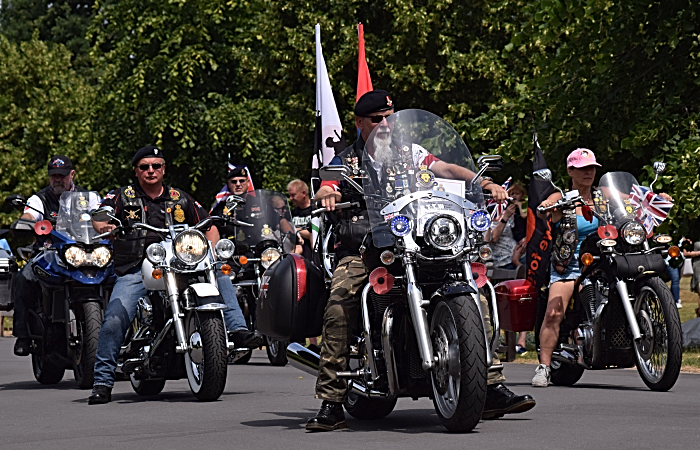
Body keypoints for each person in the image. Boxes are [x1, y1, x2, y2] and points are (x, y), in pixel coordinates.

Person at [306, 89, 534, 432]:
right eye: (376, 119)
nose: (385, 124)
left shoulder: (409, 152)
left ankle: (489, 383)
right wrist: (326, 193)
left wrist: (481, 180)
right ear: (359, 123)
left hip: (418, 240)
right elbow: (328, 186)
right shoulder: (345, 160)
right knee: (341, 299)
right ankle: (332, 401)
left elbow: (443, 166)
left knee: (474, 289)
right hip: (367, 247)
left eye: (389, 117)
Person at [87, 146, 258, 404]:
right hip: (138, 265)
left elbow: (207, 222)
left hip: (179, 260)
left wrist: (211, 250)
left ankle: (238, 330)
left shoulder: (179, 197)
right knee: (113, 319)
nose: (151, 171)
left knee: (220, 273)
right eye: (145, 167)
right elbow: (100, 219)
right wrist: (108, 225)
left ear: (164, 169)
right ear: (136, 171)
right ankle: (102, 381)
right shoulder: (122, 196)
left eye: (156, 166)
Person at [532, 148, 673, 387]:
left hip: (604, 256)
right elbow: (548, 204)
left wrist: (656, 198)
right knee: (554, 312)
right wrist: (546, 205)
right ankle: (544, 367)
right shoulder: (562, 196)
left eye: (592, 168)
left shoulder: (603, 193)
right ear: (570, 171)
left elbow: (633, 199)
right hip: (571, 262)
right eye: (582, 168)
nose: (588, 172)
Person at [11, 155, 88, 356]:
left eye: (62, 175)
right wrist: (25, 222)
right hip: (47, 254)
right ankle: (23, 335)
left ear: (72, 174)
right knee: (23, 278)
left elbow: (99, 215)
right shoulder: (39, 199)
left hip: (80, 255)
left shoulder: (85, 198)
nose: (58, 179)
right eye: (53, 175)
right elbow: (29, 215)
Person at [287, 179, 313, 260]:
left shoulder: (315, 210)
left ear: (303, 193)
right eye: (289, 195)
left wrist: (295, 229)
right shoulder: (292, 213)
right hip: (297, 256)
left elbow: (313, 234)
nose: (291, 198)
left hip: (313, 256)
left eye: (293, 195)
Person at [685, 240, 700, 317]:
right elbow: (685, 252)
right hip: (698, 266)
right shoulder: (692, 236)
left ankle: (698, 311)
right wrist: (698, 253)